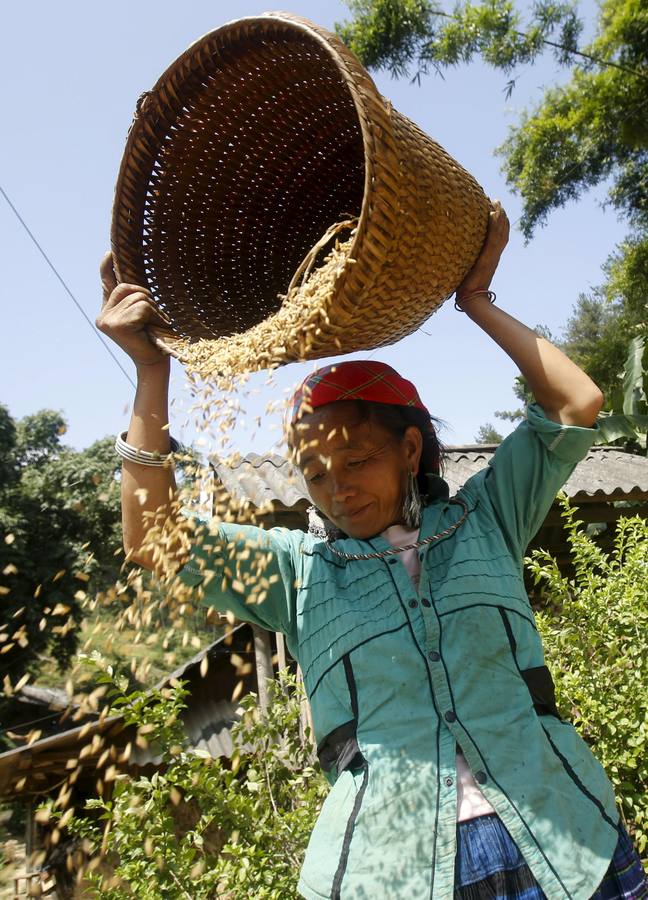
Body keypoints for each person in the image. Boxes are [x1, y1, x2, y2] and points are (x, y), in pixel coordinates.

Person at [98, 203, 648, 899]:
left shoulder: (486, 519)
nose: (337, 490)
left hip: (566, 844)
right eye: (317, 474)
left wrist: (474, 300)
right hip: (390, 875)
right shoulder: (297, 573)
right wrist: (152, 371)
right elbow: (153, 536)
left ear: (408, 449)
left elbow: (576, 403)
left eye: (355, 461)